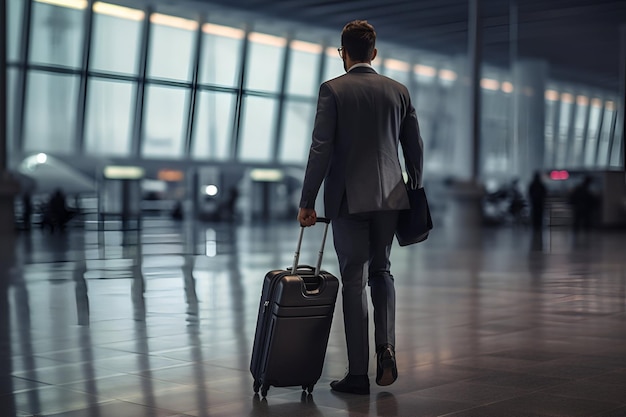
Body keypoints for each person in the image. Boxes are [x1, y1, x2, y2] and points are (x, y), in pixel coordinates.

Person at [297, 20, 423, 395]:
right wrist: (413, 185)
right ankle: (386, 349)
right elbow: (414, 146)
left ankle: (357, 374)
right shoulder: (398, 91)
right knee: (382, 272)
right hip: (391, 197)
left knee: (354, 280)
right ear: (374, 53)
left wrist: (307, 201)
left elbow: (321, 148)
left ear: (343, 53)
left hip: (350, 199)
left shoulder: (333, 90)